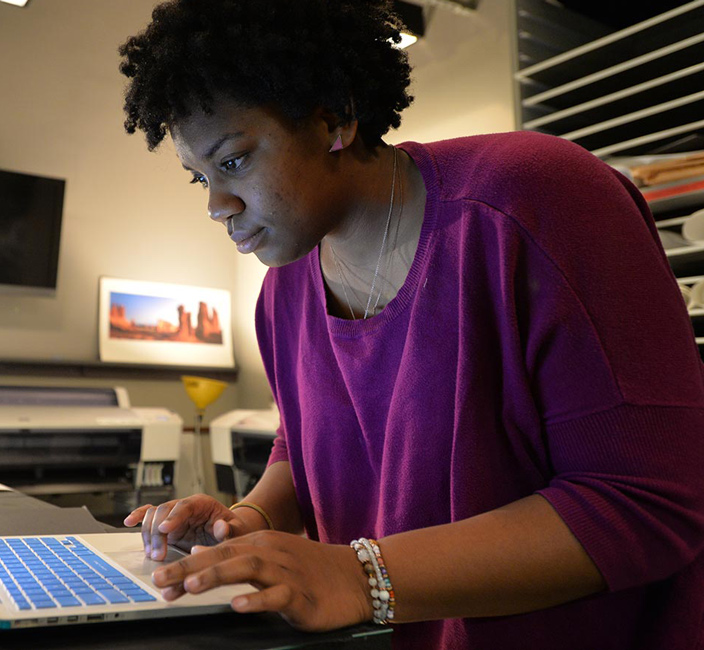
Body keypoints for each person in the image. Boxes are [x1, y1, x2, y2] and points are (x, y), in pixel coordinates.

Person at [116, 1, 704, 649]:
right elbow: (301, 447)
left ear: (334, 117)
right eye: (199, 176)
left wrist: (358, 575)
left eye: (233, 162)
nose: (215, 205)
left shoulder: (536, 200)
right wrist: (246, 520)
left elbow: (646, 502)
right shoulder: (281, 292)